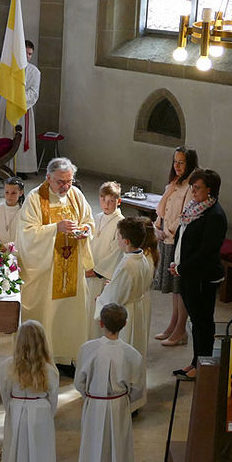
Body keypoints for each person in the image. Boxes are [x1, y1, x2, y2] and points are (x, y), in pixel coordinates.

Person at [15, 157, 95, 371]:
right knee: (48, 314)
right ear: (48, 177)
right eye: (61, 182)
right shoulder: (35, 199)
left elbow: (88, 220)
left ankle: (67, 357)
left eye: (69, 181)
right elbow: (27, 234)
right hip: (46, 271)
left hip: (72, 268)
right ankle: (44, 358)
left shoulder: (76, 195)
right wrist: (55, 228)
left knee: (71, 314)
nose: (66, 186)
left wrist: (85, 231)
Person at [73, 303, 143, 462]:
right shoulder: (132, 354)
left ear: (101, 323)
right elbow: (138, 388)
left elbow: (79, 383)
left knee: (94, 454)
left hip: (94, 405)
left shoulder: (88, 348)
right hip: (118, 407)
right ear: (125, 324)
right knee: (116, 453)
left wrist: (91, 396)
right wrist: (122, 400)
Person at [0, 319, 59, 462]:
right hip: (40, 412)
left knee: (17, 459)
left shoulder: (7, 366)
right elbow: (53, 400)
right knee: (39, 460)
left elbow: (5, 396)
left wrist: (14, 411)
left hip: (16, 411)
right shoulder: (50, 369)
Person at [93, 217, 155, 412]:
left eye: (118, 236)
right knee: (136, 354)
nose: (117, 239)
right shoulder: (142, 258)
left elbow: (115, 297)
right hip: (138, 311)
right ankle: (134, 400)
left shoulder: (127, 264)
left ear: (126, 241)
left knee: (124, 357)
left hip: (126, 315)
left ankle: (123, 402)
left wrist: (101, 298)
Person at [171, 169, 228, 380]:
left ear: (210, 190)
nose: (193, 192)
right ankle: (196, 362)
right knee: (196, 322)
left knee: (203, 323)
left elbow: (206, 251)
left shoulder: (215, 216)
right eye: (192, 188)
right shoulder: (195, 208)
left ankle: (202, 364)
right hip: (188, 274)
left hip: (203, 276)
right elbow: (183, 237)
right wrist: (176, 263)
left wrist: (181, 268)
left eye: (197, 188)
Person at [152, 147, 198, 347]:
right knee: (174, 289)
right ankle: (172, 326)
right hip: (166, 239)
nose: (177, 166)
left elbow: (184, 217)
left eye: (181, 163)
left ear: (190, 165)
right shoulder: (174, 184)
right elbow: (160, 209)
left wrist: (168, 232)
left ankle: (181, 331)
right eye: (175, 162)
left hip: (177, 241)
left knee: (180, 289)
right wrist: (158, 227)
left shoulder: (191, 187)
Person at [85, 181, 125, 341]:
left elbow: (117, 251)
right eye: (103, 199)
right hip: (91, 269)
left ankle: (99, 342)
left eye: (111, 201)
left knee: (100, 313)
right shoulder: (98, 217)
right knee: (88, 312)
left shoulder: (120, 223)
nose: (106, 204)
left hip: (103, 275)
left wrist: (96, 271)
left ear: (119, 201)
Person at [0, 39, 40, 176]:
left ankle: (21, 168)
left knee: (21, 136)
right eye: (25, 52)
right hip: (7, 106)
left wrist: (19, 97)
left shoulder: (35, 72)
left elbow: (34, 93)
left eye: (30, 54)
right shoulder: (6, 67)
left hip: (23, 108)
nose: (27, 56)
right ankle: (2, 166)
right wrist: (11, 94)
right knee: (6, 134)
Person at [0, 176, 24, 248]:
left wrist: (7, 246)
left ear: (21, 193)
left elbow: (28, 236)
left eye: (13, 193)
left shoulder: (25, 212)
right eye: (7, 192)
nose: (9, 196)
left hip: (19, 251)